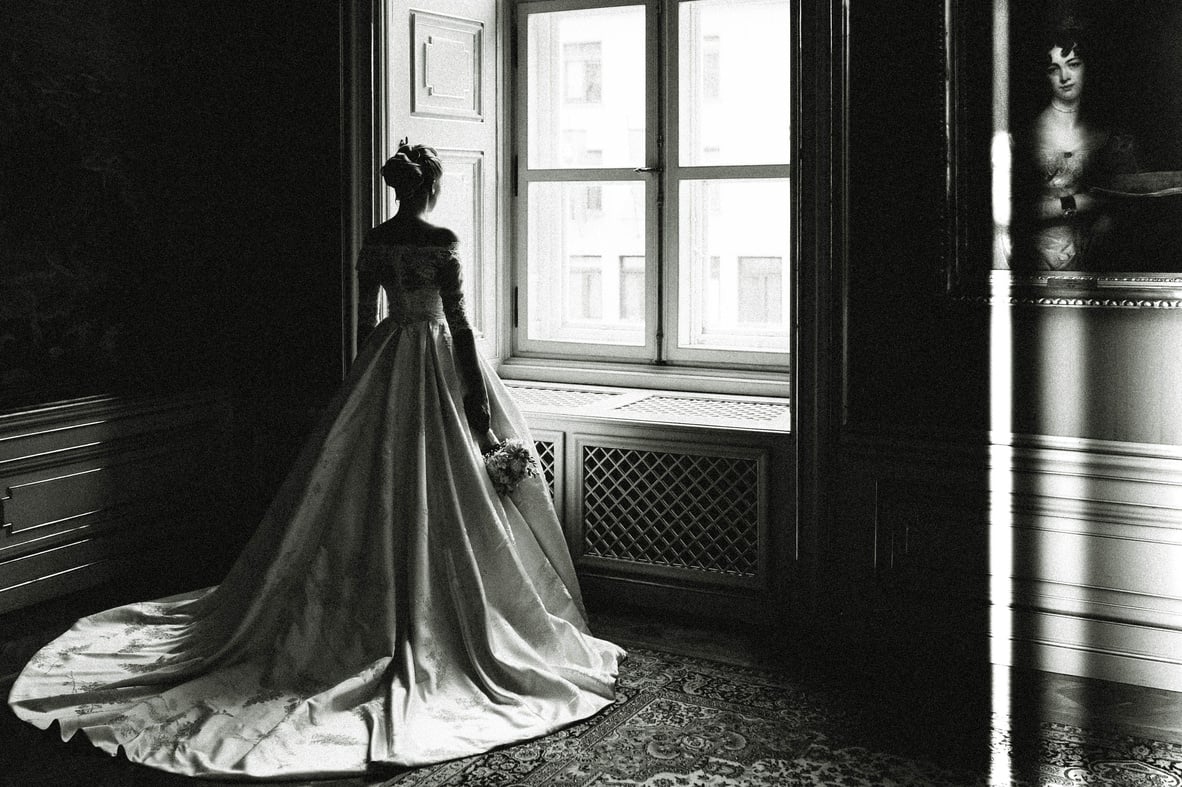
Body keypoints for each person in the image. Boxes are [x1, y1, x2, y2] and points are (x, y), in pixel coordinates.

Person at [7, 142, 625, 779]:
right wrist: (478, 416)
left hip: (386, 364)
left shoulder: (377, 241)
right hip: (436, 363)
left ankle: (364, 614)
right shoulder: (441, 238)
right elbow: (461, 327)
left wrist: (362, 393)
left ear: (396, 187)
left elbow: (363, 325)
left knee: (362, 496)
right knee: (441, 498)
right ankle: (437, 623)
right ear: (432, 187)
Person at [1008, 26, 1137, 271]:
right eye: (1053, 69)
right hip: (1031, 261)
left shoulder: (1110, 137)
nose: (1065, 77)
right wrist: (1079, 202)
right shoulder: (1024, 137)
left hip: (1092, 261)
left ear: (1087, 67)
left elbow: (1124, 205)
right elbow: (1015, 210)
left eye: (1073, 64)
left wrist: (1104, 221)